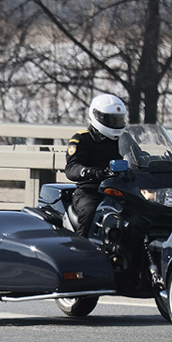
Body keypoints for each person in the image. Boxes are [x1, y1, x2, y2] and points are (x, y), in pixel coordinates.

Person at [64, 93, 126, 236]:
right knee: (89, 212)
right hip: (91, 190)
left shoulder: (125, 139)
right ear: (97, 116)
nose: (115, 123)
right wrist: (89, 171)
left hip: (122, 190)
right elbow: (71, 168)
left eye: (118, 119)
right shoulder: (82, 139)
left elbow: (138, 157)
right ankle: (82, 250)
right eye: (110, 119)